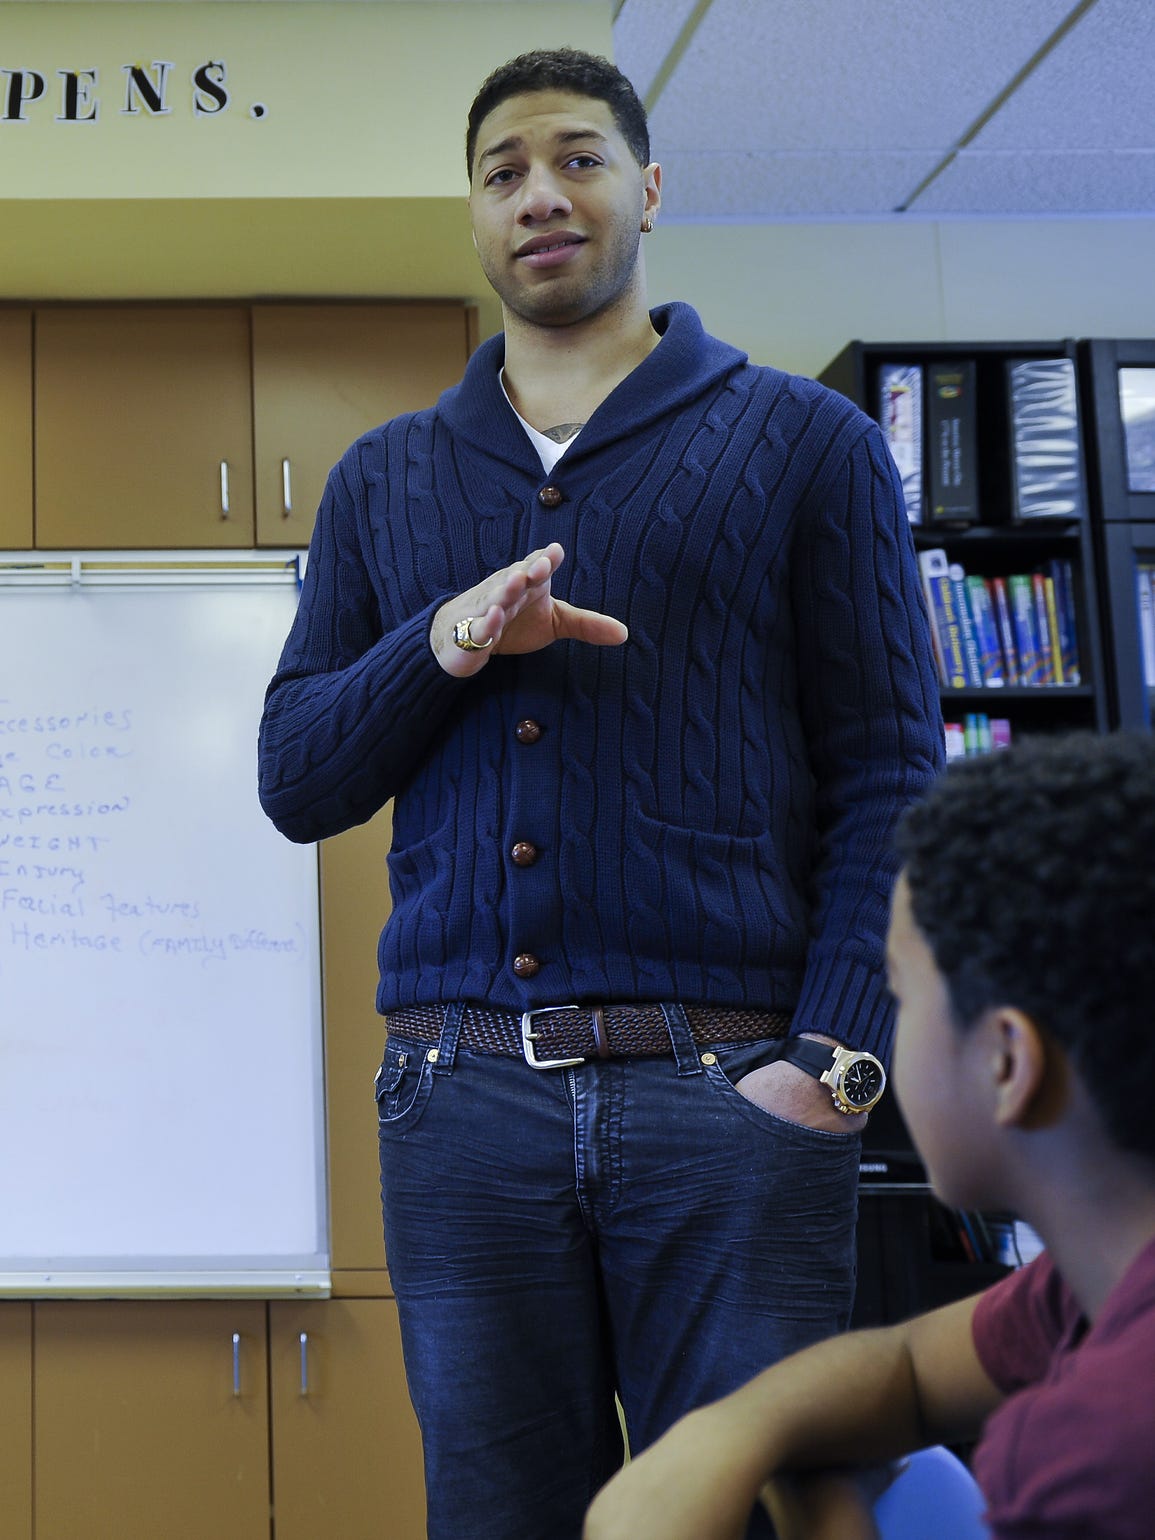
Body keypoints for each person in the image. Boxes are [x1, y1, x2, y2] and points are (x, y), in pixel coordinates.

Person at [257, 45, 942, 1540]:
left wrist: (832, 1068)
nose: (538, 195)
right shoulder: (384, 480)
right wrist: (444, 643)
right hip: (458, 1104)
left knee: (746, 1514)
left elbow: (894, 773)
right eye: (501, 172)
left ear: (647, 186)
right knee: (495, 1517)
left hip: (729, 1095)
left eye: (574, 157)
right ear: (474, 218)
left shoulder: (800, 443)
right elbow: (297, 777)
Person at [584, 730, 1155, 1540]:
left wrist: (823, 1512)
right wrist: (725, 1434)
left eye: (899, 994)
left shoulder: (1093, 1455)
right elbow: (912, 1369)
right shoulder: (1087, 1290)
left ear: (1004, 1063)